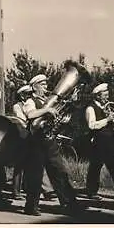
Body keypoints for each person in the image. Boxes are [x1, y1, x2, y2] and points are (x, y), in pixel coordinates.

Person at [23, 74, 81, 216]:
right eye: (42, 85)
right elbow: (30, 115)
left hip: (49, 140)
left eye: (45, 84)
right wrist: (47, 110)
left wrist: (69, 104)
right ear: (34, 87)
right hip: (35, 141)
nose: (46, 87)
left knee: (60, 172)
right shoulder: (30, 101)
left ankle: (68, 203)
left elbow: (60, 115)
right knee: (35, 175)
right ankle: (31, 207)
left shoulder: (50, 100)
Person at [84, 83, 114, 201]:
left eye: (107, 94)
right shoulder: (90, 108)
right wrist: (108, 119)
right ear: (97, 96)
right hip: (98, 141)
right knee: (96, 167)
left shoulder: (105, 107)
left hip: (110, 140)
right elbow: (92, 125)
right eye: (105, 95)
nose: (107, 97)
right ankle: (91, 191)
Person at [10, 84, 32, 200]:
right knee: (19, 165)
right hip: (21, 136)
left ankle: (27, 188)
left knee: (29, 164)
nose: (29, 96)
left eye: (29, 94)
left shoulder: (29, 104)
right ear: (22, 95)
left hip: (29, 135)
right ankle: (16, 191)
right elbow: (22, 120)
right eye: (27, 94)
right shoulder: (17, 106)